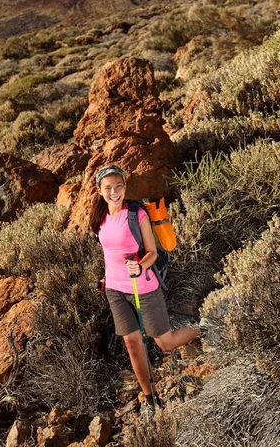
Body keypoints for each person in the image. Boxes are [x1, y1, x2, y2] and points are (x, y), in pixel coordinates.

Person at [90, 163, 201, 411]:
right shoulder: (99, 217)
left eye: (119, 186)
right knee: (132, 343)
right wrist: (106, 279)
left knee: (165, 343)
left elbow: (151, 252)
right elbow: (109, 253)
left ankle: (201, 329)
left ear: (125, 186)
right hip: (115, 291)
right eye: (108, 188)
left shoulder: (136, 214)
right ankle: (151, 397)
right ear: (99, 190)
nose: (114, 192)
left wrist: (140, 267)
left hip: (143, 286)